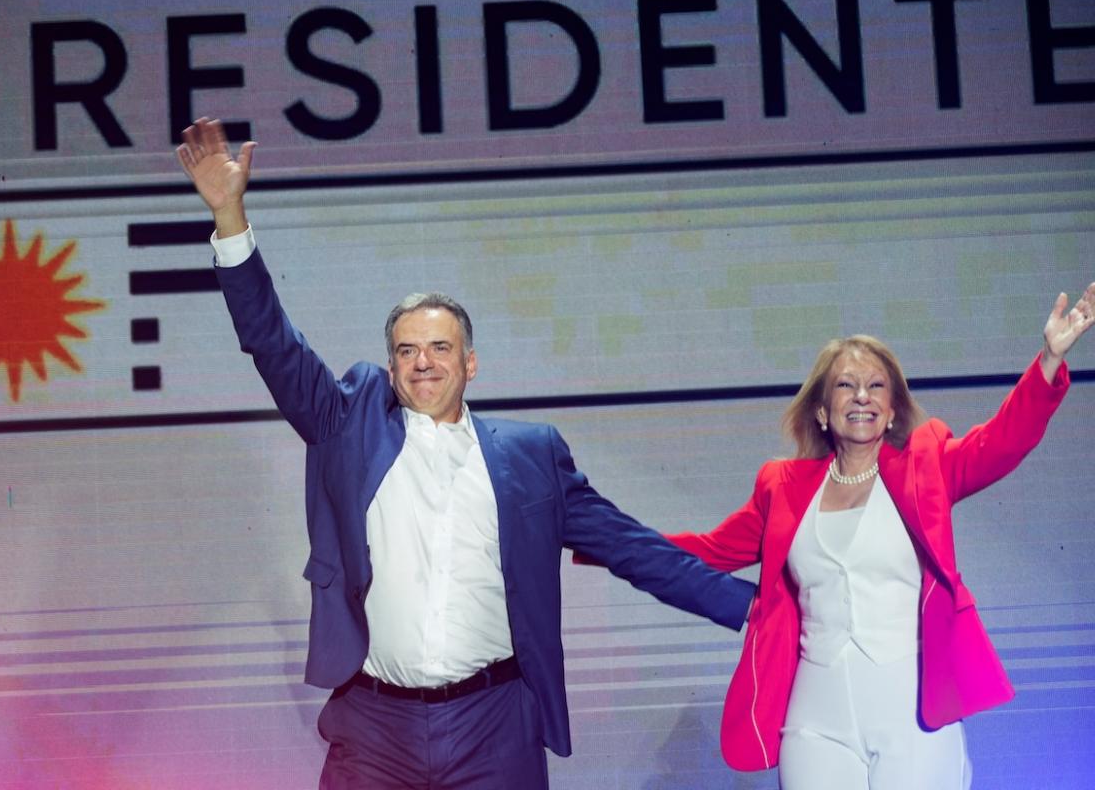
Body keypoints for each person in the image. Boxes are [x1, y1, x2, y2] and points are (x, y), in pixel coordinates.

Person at [175, 117, 757, 789]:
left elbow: (635, 550)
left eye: (441, 347)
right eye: (406, 351)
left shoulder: (532, 456)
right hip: (375, 724)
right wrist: (229, 216)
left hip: (494, 719)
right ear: (390, 368)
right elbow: (271, 343)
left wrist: (753, 609)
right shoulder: (345, 423)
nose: (423, 362)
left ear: (471, 363)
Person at [659, 287, 1094, 789]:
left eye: (876, 386)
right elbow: (704, 552)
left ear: (891, 411)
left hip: (911, 708)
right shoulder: (783, 488)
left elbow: (1000, 443)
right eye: (845, 385)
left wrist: (1048, 359)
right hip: (816, 715)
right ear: (823, 411)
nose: (861, 396)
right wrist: (592, 533)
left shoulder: (925, 466)